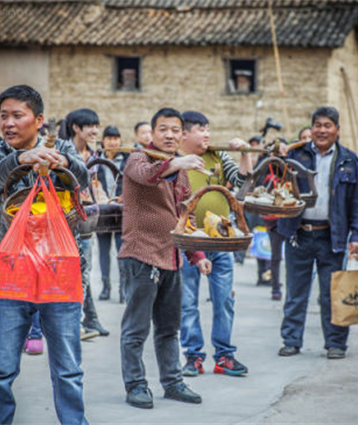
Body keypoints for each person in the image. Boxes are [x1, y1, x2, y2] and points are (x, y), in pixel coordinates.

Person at [0, 85, 90, 425]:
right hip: (14, 271)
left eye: (17, 116)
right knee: (1, 367)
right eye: (3, 116)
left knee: (68, 368)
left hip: (59, 272)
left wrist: (64, 162)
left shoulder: (63, 146)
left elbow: (81, 178)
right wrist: (21, 159)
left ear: (38, 120)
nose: (8, 124)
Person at [118, 108, 211, 409]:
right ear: (153, 133)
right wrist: (176, 162)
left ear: (181, 134)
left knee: (169, 328)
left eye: (174, 130)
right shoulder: (138, 158)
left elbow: (185, 215)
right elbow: (146, 176)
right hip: (141, 255)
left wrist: (196, 255)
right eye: (163, 129)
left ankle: (172, 382)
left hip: (171, 258)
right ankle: (135, 385)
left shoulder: (181, 171)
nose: (169, 135)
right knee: (136, 329)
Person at [276, 106, 358, 360]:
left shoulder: (349, 160)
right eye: (318, 125)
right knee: (295, 293)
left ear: (337, 130)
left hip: (332, 237)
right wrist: (279, 152)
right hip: (298, 234)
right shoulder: (296, 155)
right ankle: (291, 340)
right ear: (312, 128)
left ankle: (336, 343)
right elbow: (270, 172)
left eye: (328, 125)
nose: (322, 130)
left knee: (333, 294)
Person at [178, 111, 251, 377]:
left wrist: (244, 153)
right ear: (184, 134)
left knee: (224, 301)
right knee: (187, 303)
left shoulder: (219, 156)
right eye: (201, 129)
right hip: (186, 241)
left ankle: (224, 357)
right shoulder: (176, 161)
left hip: (221, 239)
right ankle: (193, 356)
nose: (207, 134)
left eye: (208, 129)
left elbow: (241, 182)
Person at [62, 108, 108, 337]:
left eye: (96, 125)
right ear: (76, 128)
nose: (95, 130)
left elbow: (98, 186)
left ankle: (79, 322)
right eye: (90, 126)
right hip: (66, 220)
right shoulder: (63, 152)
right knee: (68, 272)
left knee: (85, 271)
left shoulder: (95, 155)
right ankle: (72, 323)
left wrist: (106, 199)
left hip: (88, 219)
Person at [96, 125, 128, 302]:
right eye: (109, 138)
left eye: (116, 138)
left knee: (121, 251)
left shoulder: (127, 160)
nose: (113, 142)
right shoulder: (97, 161)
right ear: (103, 141)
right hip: (102, 212)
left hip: (121, 212)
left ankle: (122, 288)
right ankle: (105, 286)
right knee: (103, 251)